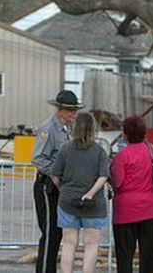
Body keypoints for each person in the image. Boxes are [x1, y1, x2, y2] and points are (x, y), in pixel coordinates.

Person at [50, 113, 110, 273]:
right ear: (94, 129)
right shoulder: (99, 151)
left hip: (68, 202)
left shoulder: (65, 149)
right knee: (91, 244)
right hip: (93, 205)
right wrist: (90, 193)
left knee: (69, 243)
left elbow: (54, 174)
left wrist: (63, 189)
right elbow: (103, 176)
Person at [31, 89, 83, 273]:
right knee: (51, 232)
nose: (74, 114)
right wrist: (56, 173)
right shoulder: (48, 129)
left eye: (75, 110)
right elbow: (38, 159)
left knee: (58, 232)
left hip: (61, 186)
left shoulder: (67, 128)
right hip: (48, 185)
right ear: (60, 109)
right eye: (71, 110)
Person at [110, 114, 153, 273]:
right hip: (152, 208)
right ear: (144, 133)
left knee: (125, 254)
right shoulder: (152, 151)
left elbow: (117, 183)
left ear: (125, 135)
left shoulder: (122, 157)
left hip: (126, 211)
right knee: (150, 253)